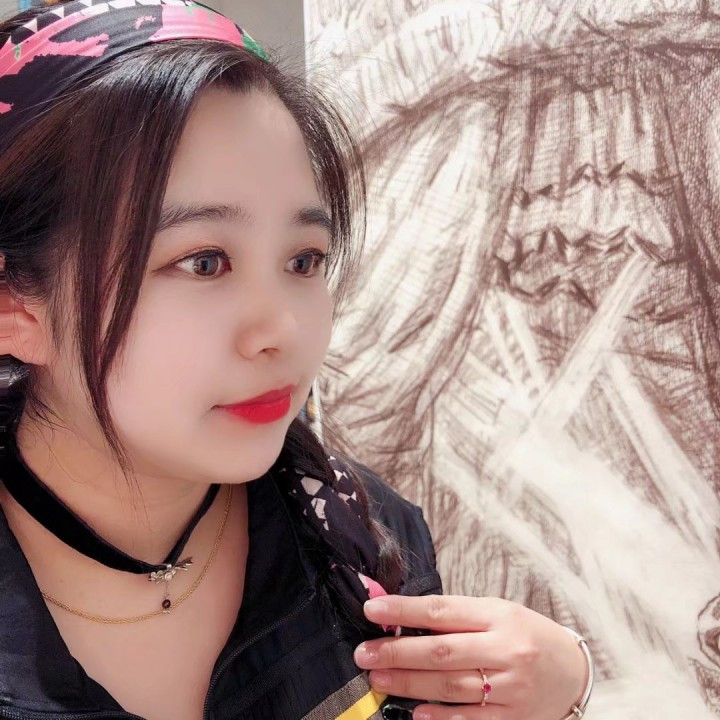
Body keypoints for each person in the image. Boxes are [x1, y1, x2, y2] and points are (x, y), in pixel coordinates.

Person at [0, 1, 594, 719]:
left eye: (303, 259)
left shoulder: (364, 538)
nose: (282, 329)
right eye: (204, 261)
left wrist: (567, 690)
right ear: (15, 305)